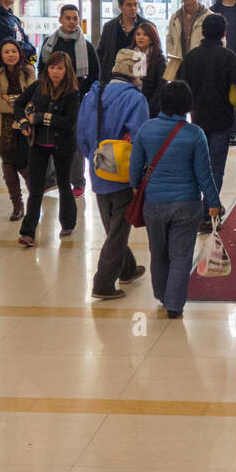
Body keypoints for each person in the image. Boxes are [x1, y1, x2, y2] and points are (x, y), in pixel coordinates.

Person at [129, 81, 222, 319]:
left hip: (153, 204)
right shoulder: (195, 134)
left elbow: (135, 168)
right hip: (187, 204)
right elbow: (204, 173)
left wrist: (135, 188)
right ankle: (174, 304)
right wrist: (213, 202)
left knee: (158, 253)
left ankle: (162, 294)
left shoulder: (146, 130)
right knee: (181, 256)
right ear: (188, 106)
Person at [76, 49, 150, 300]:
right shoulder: (135, 99)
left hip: (98, 167)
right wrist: (138, 176)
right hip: (123, 171)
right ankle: (103, 282)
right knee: (118, 229)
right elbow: (140, 139)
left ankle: (127, 269)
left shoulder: (92, 95)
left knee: (113, 224)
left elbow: (82, 132)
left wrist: (93, 159)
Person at [176, 13, 236, 233]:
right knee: (216, 166)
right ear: (224, 34)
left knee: (197, 164)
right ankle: (209, 211)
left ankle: (202, 209)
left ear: (203, 32)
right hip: (221, 119)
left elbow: (180, 84)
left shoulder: (191, 57)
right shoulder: (228, 57)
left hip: (197, 118)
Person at [15, 52, 82, 247]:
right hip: (38, 145)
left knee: (64, 185)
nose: (55, 72)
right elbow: (19, 104)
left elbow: (69, 122)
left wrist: (41, 118)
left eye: (59, 68)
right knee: (36, 189)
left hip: (62, 145)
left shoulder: (72, 92)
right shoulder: (38, 87)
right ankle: (28, 233)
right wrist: (22, 122)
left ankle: (68, 222)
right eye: (52, 67)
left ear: (66, 70)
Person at [39, 3, 102, 197]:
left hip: (77, 101)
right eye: (68, 18)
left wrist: (77, 91)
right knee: (48, 139)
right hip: (52, 99)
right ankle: (51, 180)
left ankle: (78, 181)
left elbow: (94, 75)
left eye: (75, 18)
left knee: (75, 144)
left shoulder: (87, 46)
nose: (72, 22)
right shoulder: (50, 43)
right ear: (60, 20)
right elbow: (42, 71)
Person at [0, 40, 35, 222]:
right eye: (6, 52)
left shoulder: (29, 70)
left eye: (13, 51)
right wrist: (19, 103)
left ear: (19, 53)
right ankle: (17, 205)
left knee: (25, 165)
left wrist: (12, 99)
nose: (10, 55)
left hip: (24, 126)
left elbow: (32, 99)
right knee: (8, 167)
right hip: (4, 128)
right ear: (1, 55)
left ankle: (34, 201)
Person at [165, 0, 210, 80]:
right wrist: (174, 53)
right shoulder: (175, 17)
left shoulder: (209, 17)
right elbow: (169, 39)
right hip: (180, 64)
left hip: (202, 64)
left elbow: (220, 40)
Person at [98, 0, 145, 82]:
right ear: (120, 7)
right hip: (113, 78)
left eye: (135, 4)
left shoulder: (146, 26)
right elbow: (102, 53)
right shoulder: (109, 27)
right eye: (129, 5)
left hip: (138, 77)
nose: (133, 8)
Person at [132, 21, 167, 118]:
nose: (140, 37)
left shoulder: (159, 58)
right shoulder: (128, 54)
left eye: (145, 35)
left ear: (152, 38)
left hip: (151, 107)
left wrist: (149, 107)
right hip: (130, 103)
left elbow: (162, 86)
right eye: (138, 34)